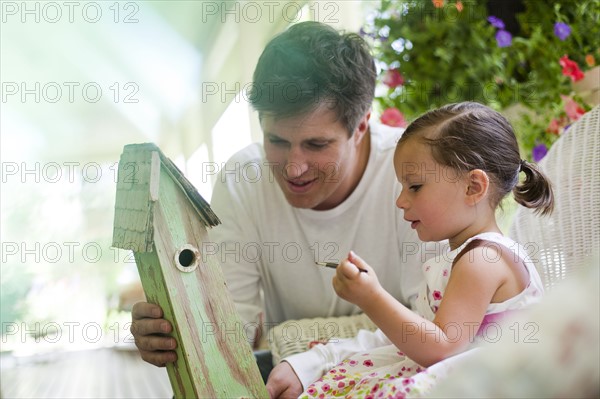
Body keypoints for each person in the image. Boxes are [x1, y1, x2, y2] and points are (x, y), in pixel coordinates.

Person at [130, 21, 428, 391]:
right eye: (277, 140)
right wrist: (178, 334)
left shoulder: (414, 173)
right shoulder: (243, 179)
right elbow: (229, 329)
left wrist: (315, 359)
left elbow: (438, 330)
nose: (293, 168)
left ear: (362, 125)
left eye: (317, 145)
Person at [271, 102, 554, 398]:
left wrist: (373, 298)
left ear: (473, 187)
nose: (401, 201)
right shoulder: (467, 256)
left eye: (415, 187)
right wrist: (335, 354)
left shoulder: (482, 260)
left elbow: (441, 347)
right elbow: (422, 333)